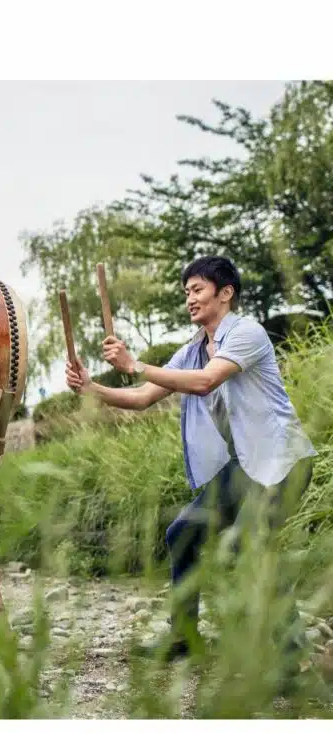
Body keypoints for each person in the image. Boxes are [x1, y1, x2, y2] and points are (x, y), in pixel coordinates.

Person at [66, 255, 316, 666]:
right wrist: (91, 388)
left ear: (226, 293)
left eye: (197, 289)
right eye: (186, 292)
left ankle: (295, 661)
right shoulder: (193, 350)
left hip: (283, 461)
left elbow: (204, 382)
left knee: (253, 545)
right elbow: (143, 397)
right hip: (244, 465)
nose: (190, 299)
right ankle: (183, 639)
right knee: (183, 532)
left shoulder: (246, 333)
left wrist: (134, 364)